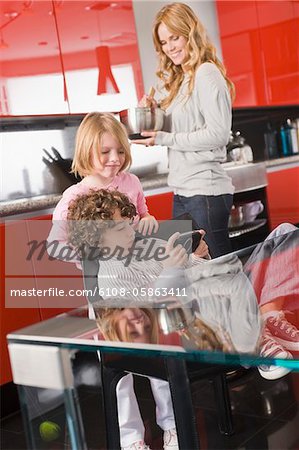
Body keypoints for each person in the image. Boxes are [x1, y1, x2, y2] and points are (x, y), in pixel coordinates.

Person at [67, 189, 299, 379]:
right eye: (120, 227)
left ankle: (267, 316)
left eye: (128, 221)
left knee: (286, 234)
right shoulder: (109, 278)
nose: (130, 229)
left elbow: (197, 271)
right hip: (194, 323)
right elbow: (150, 321)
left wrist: (200, 256)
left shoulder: (149, 246)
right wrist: (170, 271)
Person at [132, 2, 235, 258]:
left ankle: (251, 300)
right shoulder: (184, 79)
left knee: (219, 268)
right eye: (164, 42)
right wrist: (155, 113)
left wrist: (165, 137)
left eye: (174, 38)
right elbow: (182, 129)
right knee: (193, 269)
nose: (169, 48)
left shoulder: (206, 73)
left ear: (190, 33)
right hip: (183, 189)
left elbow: (218, 134)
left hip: (205, 190)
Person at [47, 112, 158, 265]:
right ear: (86, 152)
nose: (115, 158)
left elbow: (143, 214)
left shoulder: (132, 182)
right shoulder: (74, 197)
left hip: (137, 267)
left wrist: (148, 219)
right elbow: (54, 245)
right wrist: (93, 258)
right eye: (105, 152)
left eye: (121, 151)